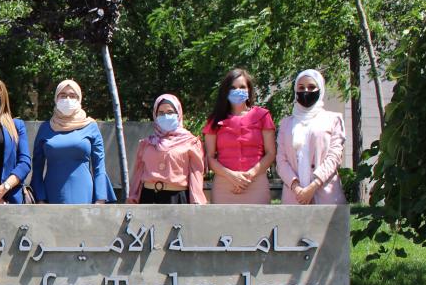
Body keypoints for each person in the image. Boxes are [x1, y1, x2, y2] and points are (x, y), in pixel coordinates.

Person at [30, 80, 113, 204]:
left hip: (84, 192)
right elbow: (36, 169)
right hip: (51, 194)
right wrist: (40, 198)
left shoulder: (90, 126)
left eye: (72, 96)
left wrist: (100, 198)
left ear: (79, 99)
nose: (67, 99)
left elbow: (99, 166)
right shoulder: (45, 128)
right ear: (56, 98)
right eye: (63, 95)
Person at [202, 68, 276, 204]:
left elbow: (271, 153)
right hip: (224, 185)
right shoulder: (214, 120)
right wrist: (232, 176)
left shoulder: (263, 116)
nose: (238, 90)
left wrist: (250, 175)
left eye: (242, 87)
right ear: (226, 91)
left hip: (256, 183)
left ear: (249, 90)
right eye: (233, 87)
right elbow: (210, 158)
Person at [276, 69, 347, 205]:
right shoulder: (286, 123)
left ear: (320, 89)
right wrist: (296, 187)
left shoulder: (333, 119)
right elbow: (281, 160)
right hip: (293, 197)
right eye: (301, 87)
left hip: (326, 195)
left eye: (311, 87)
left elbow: (334, 156)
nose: (306, 91)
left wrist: (313, 186)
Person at [127, 93, 207, 204]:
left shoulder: (191, 142)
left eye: (170, 112)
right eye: (161, 113)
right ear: (155, 115)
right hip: (148, 198)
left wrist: (197, 203)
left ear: (178, 114)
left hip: (177, 199)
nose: (166, 116)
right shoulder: (146, 143)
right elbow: (138, 174)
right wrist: (132, 198)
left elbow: (196, 175)